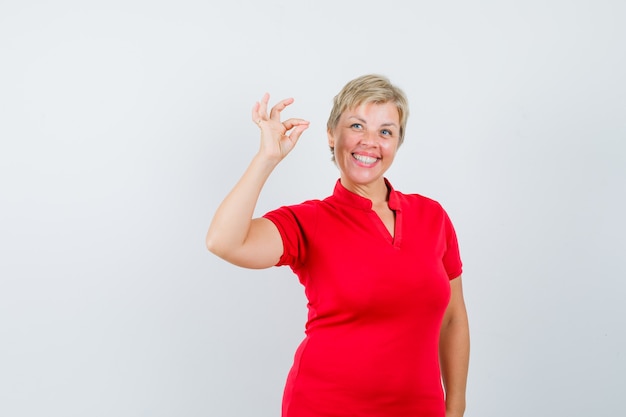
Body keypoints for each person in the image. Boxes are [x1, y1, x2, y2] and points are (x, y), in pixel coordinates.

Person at [206, 74, 470, 417]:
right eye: (357, 126)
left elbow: (453, 318)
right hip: (325, 406)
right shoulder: (308, 221)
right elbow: (223, 242)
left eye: (385, 131)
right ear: (332, 134)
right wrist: (267, 158)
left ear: (397, 142)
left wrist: (456, 406)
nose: (370, 142)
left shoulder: (431, 217)